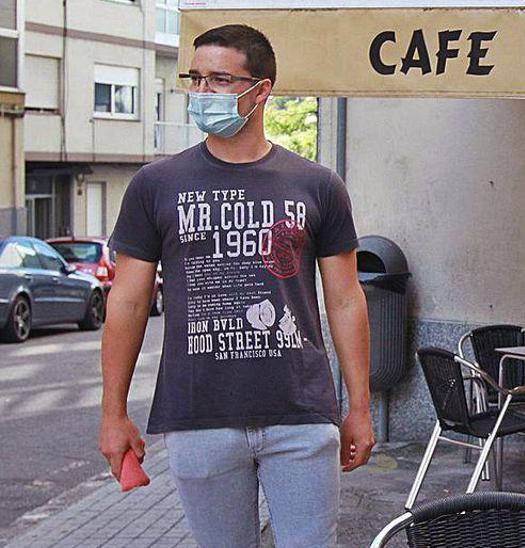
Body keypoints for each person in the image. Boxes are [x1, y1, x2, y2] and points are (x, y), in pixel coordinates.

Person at [97, 24, 374, 547]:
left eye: (221, 80)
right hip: (199, 416)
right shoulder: (155, 185)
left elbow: (344, 298)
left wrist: (359, 405)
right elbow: (128, 301)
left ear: (261, 88)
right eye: (195, 79)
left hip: (301, 415)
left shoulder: (317, 185)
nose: (203, 93)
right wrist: (113, 413)